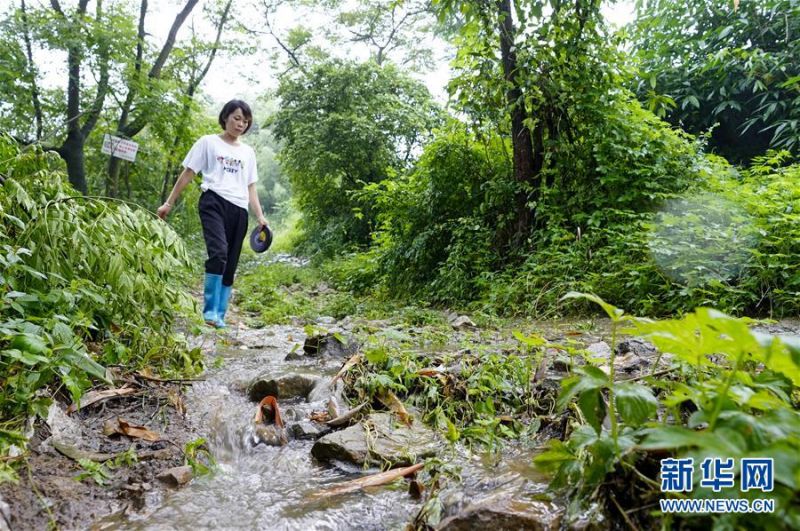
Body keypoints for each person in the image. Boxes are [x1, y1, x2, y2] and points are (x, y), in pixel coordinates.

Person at [158, 99, 268, 328]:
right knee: (218, 253)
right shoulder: (208, 142)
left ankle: (220, 314)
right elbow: (188, 173)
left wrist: (260, 216)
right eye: (237, 118)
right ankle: (209, 313)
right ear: (225, 117)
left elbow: (251, 187)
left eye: (245, 121)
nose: (241, 124)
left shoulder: (248, 152)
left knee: (231, 262)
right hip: (213, 201)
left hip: (239, 209)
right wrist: (168, 202)